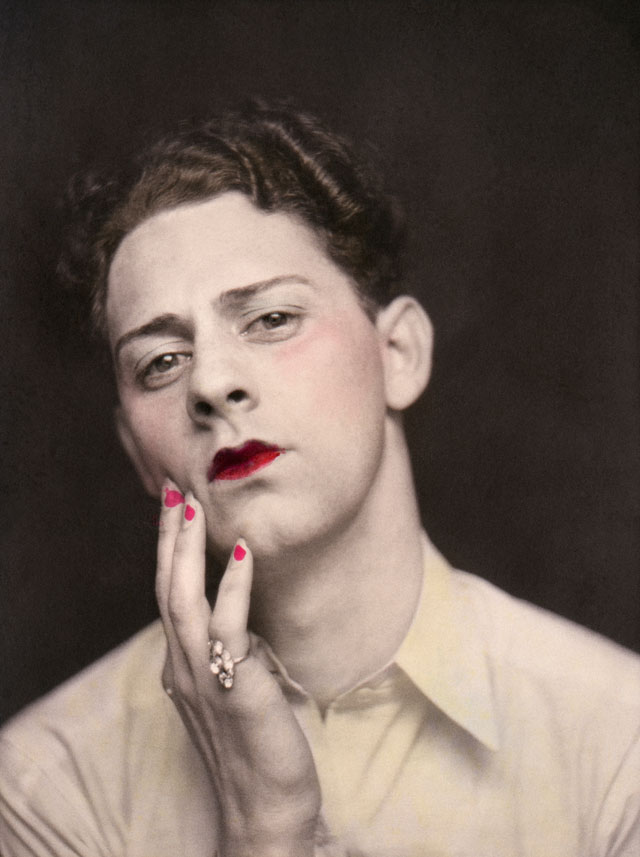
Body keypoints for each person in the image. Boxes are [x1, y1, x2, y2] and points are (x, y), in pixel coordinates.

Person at [0, 102, 638, 857]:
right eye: (161, 361)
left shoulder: (618, 744)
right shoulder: (44, 783)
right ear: (139, 453)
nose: (212, 382)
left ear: (398, 352)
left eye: (270, 319)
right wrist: (265, 828)